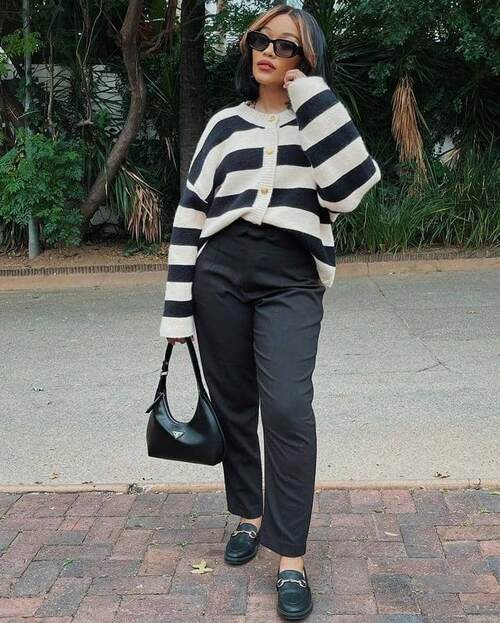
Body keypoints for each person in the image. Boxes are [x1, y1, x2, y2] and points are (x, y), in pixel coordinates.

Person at [160, 4, 381, 620]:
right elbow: (190, 215)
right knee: (235, 404)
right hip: (220, 272)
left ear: (308, 60)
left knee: (286, 406)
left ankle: (292, 555)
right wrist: (177, 311)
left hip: (290, 276)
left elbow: (352, 188)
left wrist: (306, 90)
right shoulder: (223, 125)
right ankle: (247, 513)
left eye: (287, 46)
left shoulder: (322, 123)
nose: (269, 52)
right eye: (261, 40)